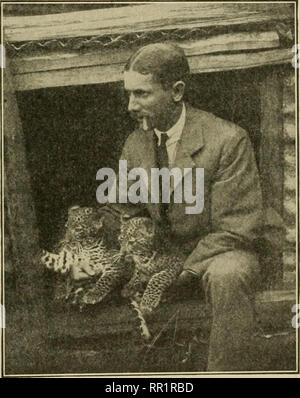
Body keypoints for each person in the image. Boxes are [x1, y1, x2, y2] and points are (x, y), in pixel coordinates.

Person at [72, 43, 264, 371]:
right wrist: (87, 253)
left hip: (217, 252)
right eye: (128, 95)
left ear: (176, 92)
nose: (131, 105)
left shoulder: (228, 140)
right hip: (164, 256)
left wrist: (182, 272)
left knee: (229, 275)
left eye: (142, 94)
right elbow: (121, 209)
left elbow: (236, 228)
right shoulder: (136, 143)